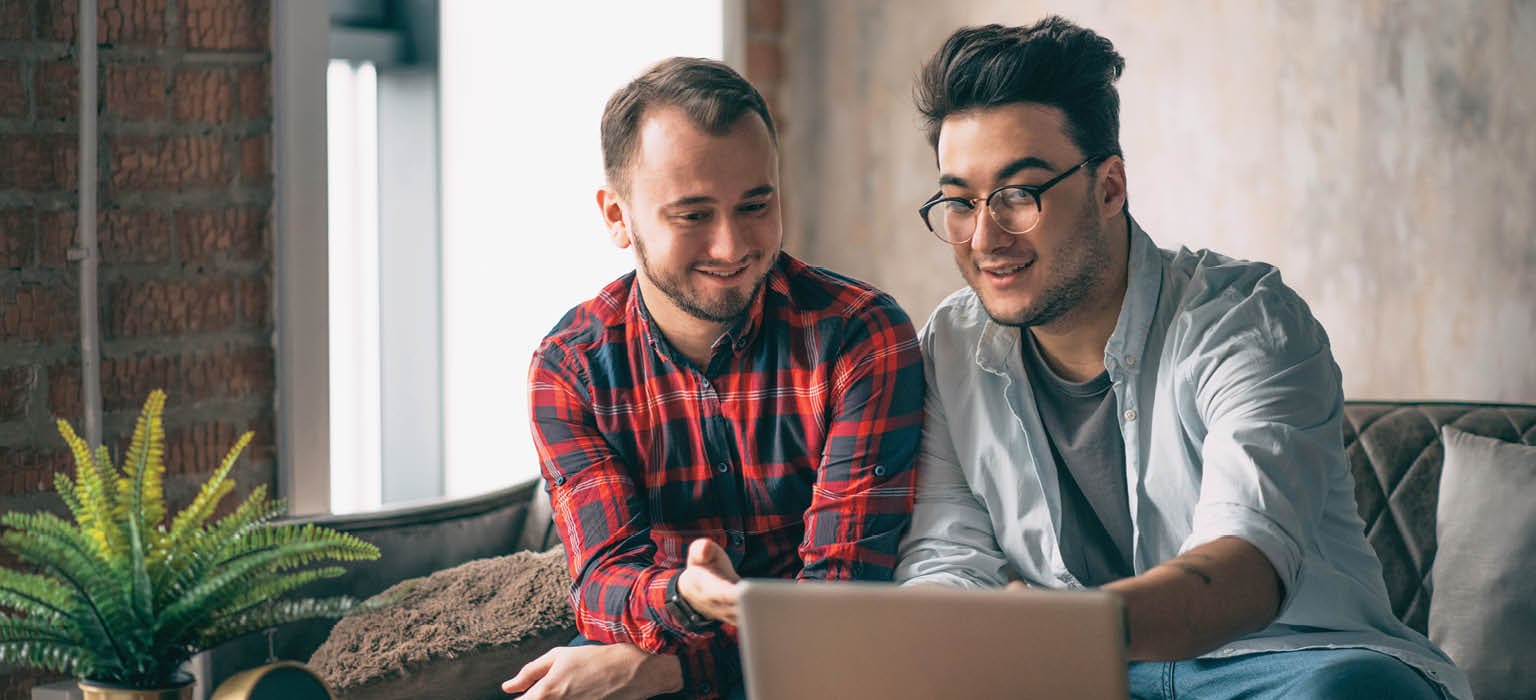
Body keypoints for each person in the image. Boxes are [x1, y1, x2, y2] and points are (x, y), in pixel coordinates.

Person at [894, 17, 1470, 699]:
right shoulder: (950, 346)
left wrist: (1070, 626)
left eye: (1020, 194)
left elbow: (1243, 565)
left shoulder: (1246, 322)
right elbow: (948, 554)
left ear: (1110, 187)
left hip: (1282, 664)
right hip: (1084, 677)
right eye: (960, 201)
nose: (985, 235)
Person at [502, 57, 924, 700]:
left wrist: (672, 668)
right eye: (693, 215)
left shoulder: (859, 337)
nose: (731, 247)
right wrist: (683, 596)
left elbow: (843, 603)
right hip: (659, 630)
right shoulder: (571, 368)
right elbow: (604, 582)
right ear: (617, 216)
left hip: (829, 668)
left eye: (756, 205)